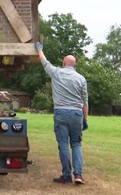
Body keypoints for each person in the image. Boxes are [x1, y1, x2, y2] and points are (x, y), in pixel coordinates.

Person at [35, 42, 89, 185]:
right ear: (75, 64)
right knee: (76, 144)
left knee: (64, 145)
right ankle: (78, 174)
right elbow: (85, 102)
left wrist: (39, 49)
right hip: (77, 113)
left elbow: (45, 62)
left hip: (61, 113)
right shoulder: (81, 79)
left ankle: (66, 175)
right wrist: (85, 119)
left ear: (63, 63)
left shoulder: (57, 73)